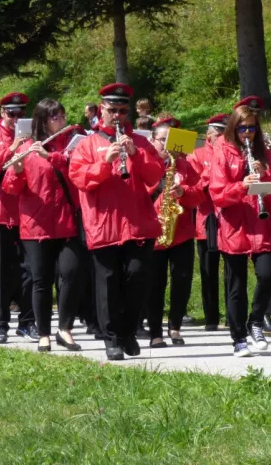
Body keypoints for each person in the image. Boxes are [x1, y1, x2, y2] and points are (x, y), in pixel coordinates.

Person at [69, 83, 165, 361]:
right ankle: (112, 339)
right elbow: (79, 179)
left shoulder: (142, 143)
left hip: (137, 224)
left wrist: (136, 153)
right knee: (108, 283)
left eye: (123, 111)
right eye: (113, 110)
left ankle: (127, 333)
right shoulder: (88, 144)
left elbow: (154, 176)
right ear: (102, 110)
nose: (118, 116)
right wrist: (104, 164)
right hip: (104, 224)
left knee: (137, 278)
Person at [3, 99, 88, 352]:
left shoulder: (73, 147)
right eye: (56, 118)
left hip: (67, 221)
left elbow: (78, 175)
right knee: (41, 280)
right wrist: (17, 170)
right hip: (36, 224)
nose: (62, 121)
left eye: (63, 116)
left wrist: (52, 156)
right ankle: (43, 333)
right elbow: (11, 188)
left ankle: (65, 329)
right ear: (42, 121)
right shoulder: (27, 148)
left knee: (71, 275)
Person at [209, 105, 271, 357]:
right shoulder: (221, 151)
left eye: (252, 128)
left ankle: (256, 320)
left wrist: (266, 177)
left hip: (261, 224)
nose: (247, 133)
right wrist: (242, 186)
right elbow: (217, 193)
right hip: (235, 226)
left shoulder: (264, 151)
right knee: (236, 286)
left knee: (268, 275)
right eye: (242, 128)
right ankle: (238, 338)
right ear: (233, 128)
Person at [0, 93, 37, 344]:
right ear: (2, 113)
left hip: (29, 212)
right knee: (0, 272)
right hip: (0, 212)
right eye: (12, 114)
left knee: (31, 271)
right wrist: (12, 148)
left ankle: (28, 321)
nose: (16, 118)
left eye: (21, 113)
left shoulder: (33, 133)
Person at [146, 117, 203, 347]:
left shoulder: (185, 164)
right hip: (153, 231)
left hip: (182, 231)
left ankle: (175, 326)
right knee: (155, 284)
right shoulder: (145, 162)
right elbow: (137, 192)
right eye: (162, 140)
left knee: (182, 281)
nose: (167, 145)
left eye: (171, 141)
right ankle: (155, 332)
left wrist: (184, 192)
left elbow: (200, 194)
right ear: (153, 140)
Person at [188, 114, 228, 331]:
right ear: (208, 135)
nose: (221, 138)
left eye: (224, 133)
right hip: (207, 218)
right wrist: (209, 175)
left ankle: (233, 316)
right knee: (208, 270)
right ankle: (211, 317)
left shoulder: (231, 150)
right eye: (217, 134)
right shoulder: (197, 153)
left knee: (232, 270)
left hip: (229, 217)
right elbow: (194, 187)